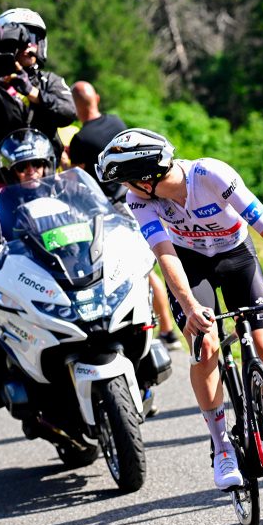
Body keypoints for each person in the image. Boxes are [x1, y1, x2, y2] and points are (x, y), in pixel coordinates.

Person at [96, 129, 263, 490]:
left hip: (237, 257)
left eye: (130, 180)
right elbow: (166, 256)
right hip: (191, 265)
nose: (128, 188)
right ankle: (221, 443)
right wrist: (191, 307)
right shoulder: (140, 201)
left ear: (148, 178)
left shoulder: (210, 175)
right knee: (206, 345)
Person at [69, 81, 182, 355]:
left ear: (75, 107)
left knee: (129, 268)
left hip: (108, 210)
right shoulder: (116, 121)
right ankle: (167, 330)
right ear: (96, 97)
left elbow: (77, 176)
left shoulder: (80, 140)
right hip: (136, 198)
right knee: (148, 264)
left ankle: (151, 327)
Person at [0, 7, 77, 235]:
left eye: (34, 38)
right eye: (21, 38)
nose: (29, 45)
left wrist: (32, 92)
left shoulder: (47, 82)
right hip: (5, 197)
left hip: (49, 188)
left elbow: (67, 114)